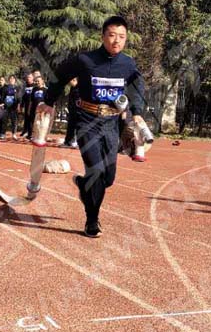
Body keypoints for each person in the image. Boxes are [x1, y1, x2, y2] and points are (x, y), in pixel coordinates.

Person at [38, 16, 146, 238]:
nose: (116, 40)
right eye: (112, 35)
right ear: (103, 36)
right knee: (96, 170)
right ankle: (92, 220)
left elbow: (137, 86)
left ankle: (83, 184)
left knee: (108, 178)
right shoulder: (85, 60)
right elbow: (60, 75)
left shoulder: (127, 64)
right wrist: (49, 101)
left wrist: (137, 113)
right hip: (87, 121)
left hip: (112, 124)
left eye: (122, 37)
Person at [58, 77, 80, 149]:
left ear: (74, 80)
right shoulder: (72, 88)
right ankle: (68, 142)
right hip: (72, 110)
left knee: (78, 127)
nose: (69, 82)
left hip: (79, 111)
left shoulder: (80, 88)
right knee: (70, 126)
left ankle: (77, 142)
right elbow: (71, 99)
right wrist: (68, 108)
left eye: (70, 81)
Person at [20, 72, 35, 139]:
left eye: (30, 77)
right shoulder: (25, 86)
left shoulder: (35, 86)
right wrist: (21, 105)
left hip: (32, 105)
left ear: (33, 78)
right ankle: (25, 131)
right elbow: (23, 96)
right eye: (28, 77)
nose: (28, 78)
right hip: (26, 104)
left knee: (31, 119)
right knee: (26, 118)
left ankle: (31, 133)